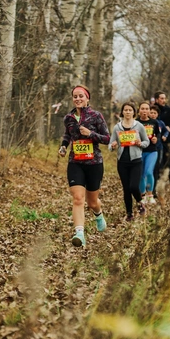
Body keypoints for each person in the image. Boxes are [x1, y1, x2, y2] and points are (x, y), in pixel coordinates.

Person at [58, 85, 110, 247]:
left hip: (94, 163)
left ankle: (98, 214)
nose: (78, 99)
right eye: (75, 96)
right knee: (78, 198)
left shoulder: (96, 116)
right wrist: (64, 146)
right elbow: (68, 134)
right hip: (75, 163)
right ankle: (79, 233)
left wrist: (91, 134)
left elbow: (107, 138)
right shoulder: (68, 118)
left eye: (81, 96)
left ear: (87, 98)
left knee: (92, 201)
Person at [108, 102, 149, 221]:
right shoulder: (117, 127)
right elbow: (110, 145)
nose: (127, 112)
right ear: (122, 112)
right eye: (125, 110)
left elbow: (147, 142)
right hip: (122, 162)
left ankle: (140, 203)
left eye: (130, 110)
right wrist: (113, 146)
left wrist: (140, 143)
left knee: (133, 186)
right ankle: (129, 213)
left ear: (134, 112)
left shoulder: (139, 126)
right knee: (126, 188)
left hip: (136, 161)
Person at [137, 101, 160, 204]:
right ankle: (143, 196)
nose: (145, 111)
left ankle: (150, 195)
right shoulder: (135, 123)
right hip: (139, 151)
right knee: (141, 174)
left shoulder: (154, 122)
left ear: (149, 111)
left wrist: (156, 138)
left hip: (152, 151)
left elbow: (158, 134)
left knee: (149, 172)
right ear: (139, 111)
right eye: (142, 109)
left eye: (147, 109)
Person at [154, 91, 170, 184]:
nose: (163, 100)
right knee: (157, 159)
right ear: (156, 99)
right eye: (161, 98)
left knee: (167, 158)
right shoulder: (152, 110)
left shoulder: (169, 110)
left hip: (168, 139)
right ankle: (157, 178)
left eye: (164, 98)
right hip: (155, 139)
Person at [149, 104, 169, 199]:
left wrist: (165, 135)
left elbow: (166, 131)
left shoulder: (160, 123)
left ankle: (153, 190)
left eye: (154, 113)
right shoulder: (146, 123)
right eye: (151, 112)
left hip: (158, 148)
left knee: (156, 169)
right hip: (147, 149)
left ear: (157, 114)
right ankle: (146, 189)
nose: (153, 114)